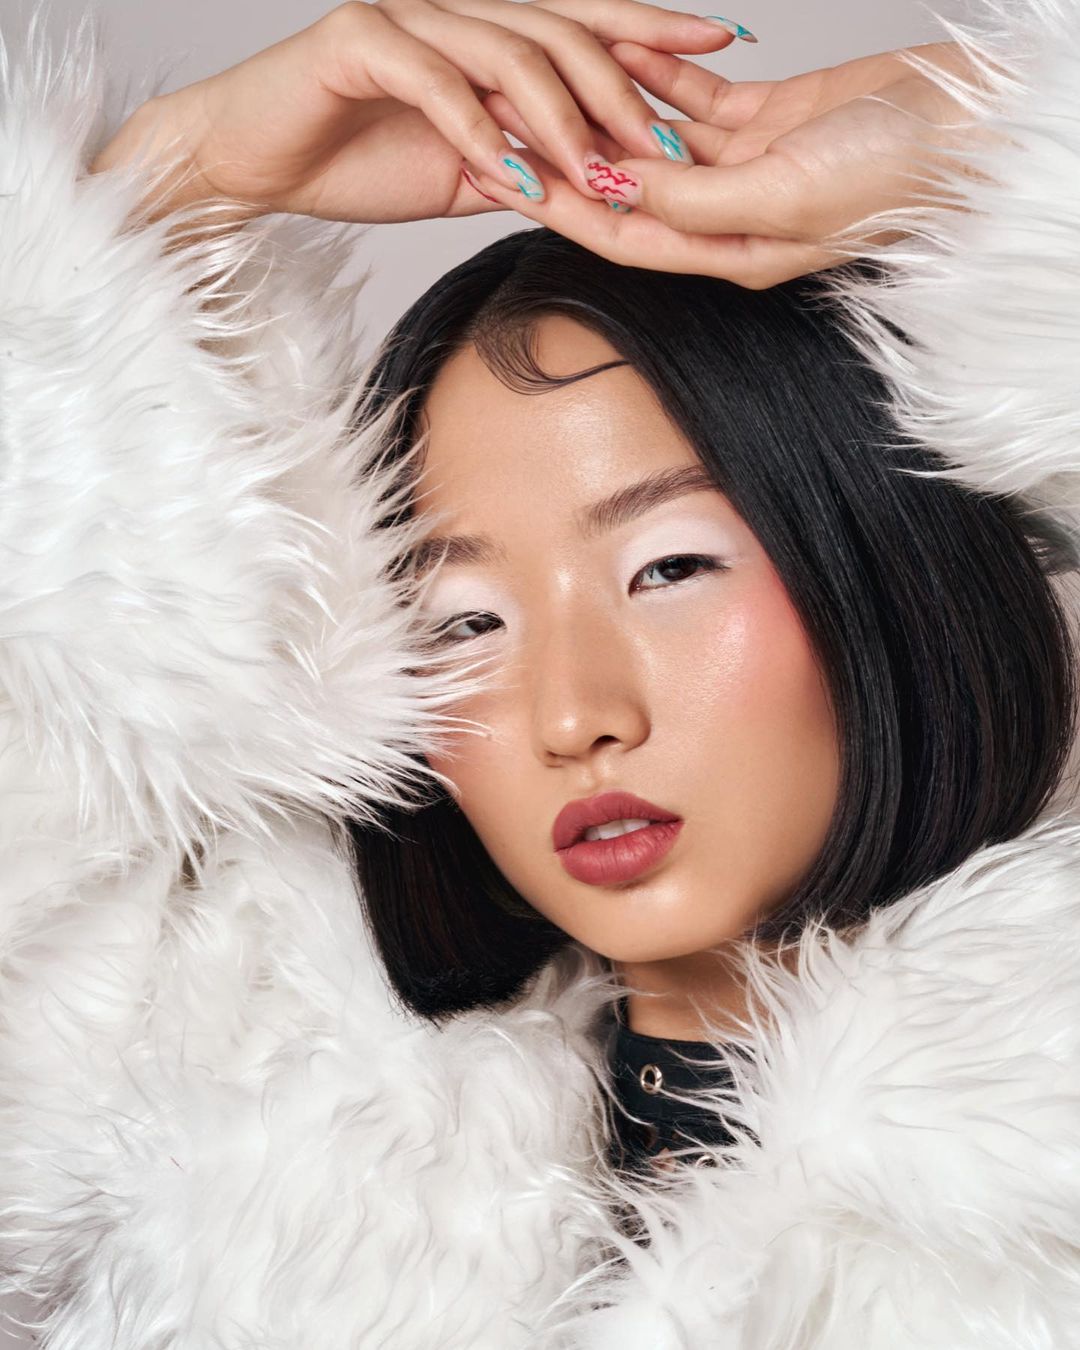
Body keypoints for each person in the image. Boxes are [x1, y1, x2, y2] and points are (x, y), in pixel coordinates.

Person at [3, 0, 1080, 1344]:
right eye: (465, 621)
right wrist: (181, 183)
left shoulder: (1040, 1173)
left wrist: (983, 134)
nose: (574, 715)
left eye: (670, 568)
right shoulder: (249, 1108)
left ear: (888, 558)